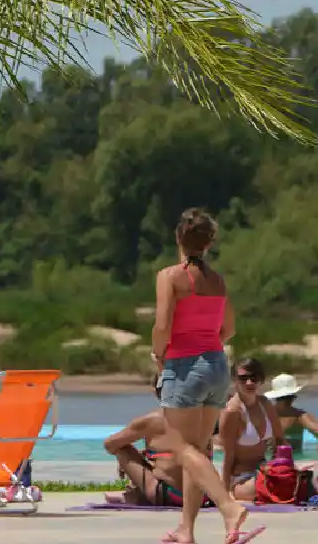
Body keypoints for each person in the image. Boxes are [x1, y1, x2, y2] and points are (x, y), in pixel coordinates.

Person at [152, 208, 262, 544]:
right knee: (198, 449)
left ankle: (229, 507)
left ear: (177, 238)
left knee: (178, 445)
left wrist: (160, 354)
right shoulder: (218, 281)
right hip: (216, 363)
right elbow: (229, 329)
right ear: (210, 242)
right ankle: (187, 529)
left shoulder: (169, 277)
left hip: (185, 365)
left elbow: (162, 326)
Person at [219, 358, 285, 500]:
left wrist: (282, 466)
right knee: (276, 488)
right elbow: (228, 456)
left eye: (254, 378)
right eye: (243, 378)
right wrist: (224, 496)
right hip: (242, 479)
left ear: (261, 380)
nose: (249, 383)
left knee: (303, 482)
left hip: (265, 471)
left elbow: (280, 440)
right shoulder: (232, 412)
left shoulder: (265, 404)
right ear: (235, 381)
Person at [263, 373, 318, 455]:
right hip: (287, 458)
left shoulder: (299, 416)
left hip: (278, 458)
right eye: (290, 397)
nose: (291, 400)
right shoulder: (298, 415)